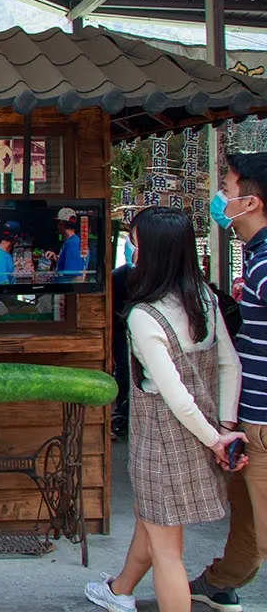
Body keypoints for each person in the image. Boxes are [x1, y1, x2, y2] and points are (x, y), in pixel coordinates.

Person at [85, 207, 245, 612]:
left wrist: (216, 441)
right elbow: (230, 363)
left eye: (135, 244)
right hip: (206, 431)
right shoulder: (206, 298)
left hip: (163, 440)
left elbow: (172, 395)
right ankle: (119, 590)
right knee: (151, 520)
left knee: (167, 549)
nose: (131, 252)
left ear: (151, 252)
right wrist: (222, 430)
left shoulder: (144, 315)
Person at [191, 151, 267, 612]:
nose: (222, 197)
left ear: (252, 202)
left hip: (262, 422)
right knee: (248, 524)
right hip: (249, 421)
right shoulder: (256, 257)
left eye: (229, 187)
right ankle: (217, 584)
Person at [111, 235, 134, 440]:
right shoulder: (117, 277)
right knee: (125, 371)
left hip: (136, 333)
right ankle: (123, 412)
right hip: (121, 332)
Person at [56, 208, 87, 281]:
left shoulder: (73, 244)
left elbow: (72, 274)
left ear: (61, 223)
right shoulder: (73, 241)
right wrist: (57, 258)